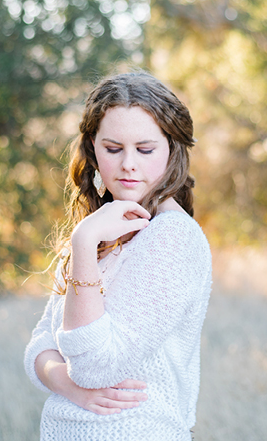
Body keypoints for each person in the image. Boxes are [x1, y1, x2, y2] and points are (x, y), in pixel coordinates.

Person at [24, 71, 213, 440]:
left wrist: (82, 243)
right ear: (93, 148)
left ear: (172, 149)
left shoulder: (172, 238)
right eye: (113, 149)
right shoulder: (100, 232)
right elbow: (39, 349)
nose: (128, 164)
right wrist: (72, 387)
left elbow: (95, 367)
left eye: (145, 150)